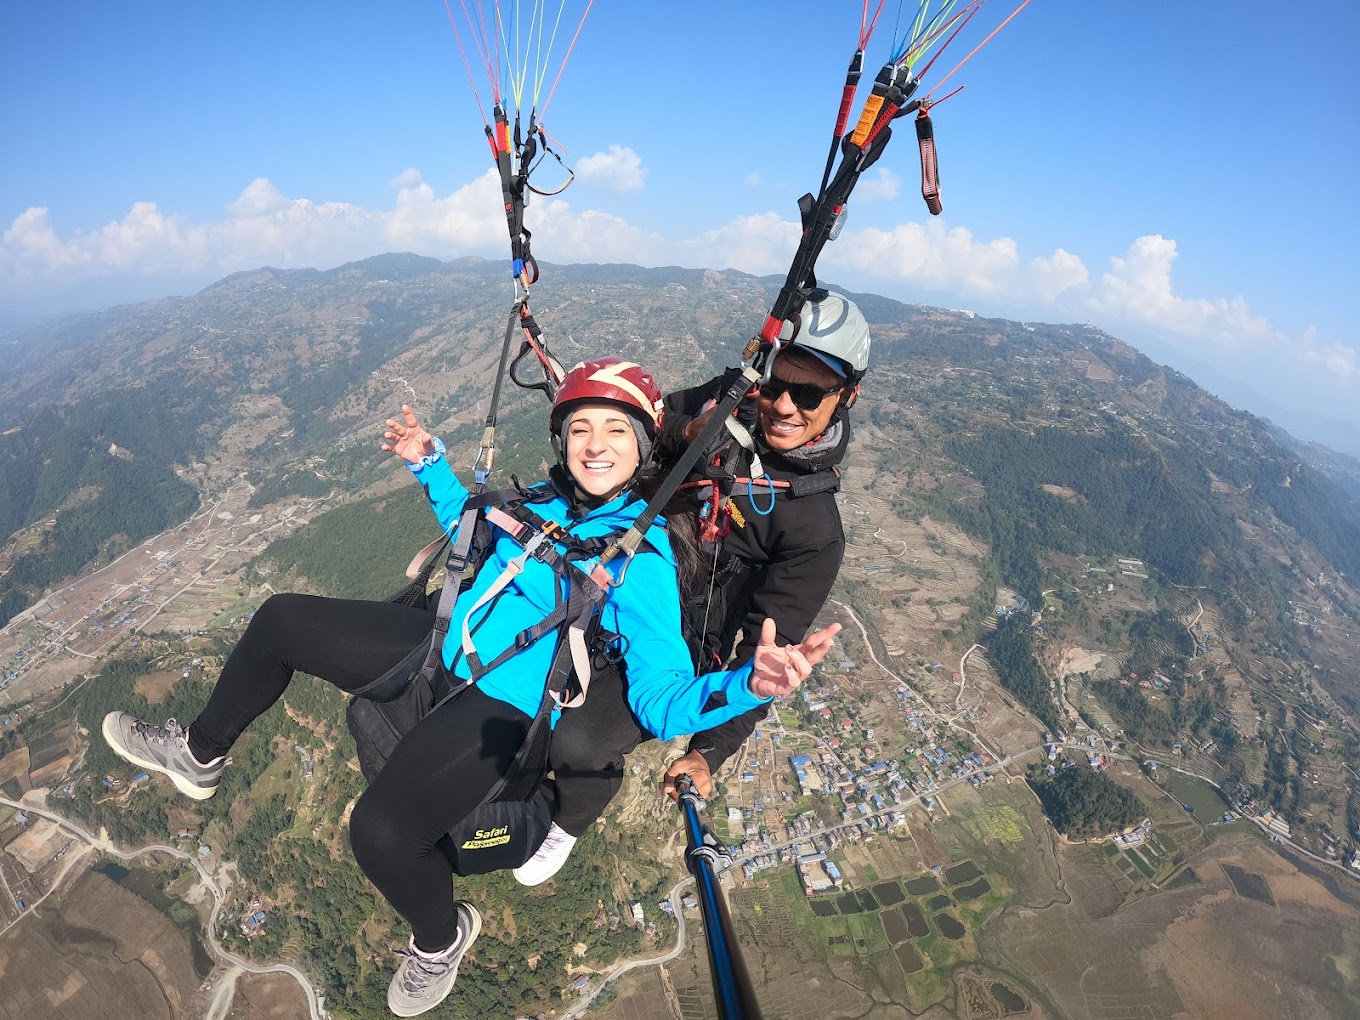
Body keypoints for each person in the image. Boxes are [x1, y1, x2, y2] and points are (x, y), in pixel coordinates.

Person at [101, 356, 841, 1018]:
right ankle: (201, 752)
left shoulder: (638, 561)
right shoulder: (542, 504)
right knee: (282, 620)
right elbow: (470, 525)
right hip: (439, 648)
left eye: (615, 430)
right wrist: (431, 465)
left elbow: (660, 699)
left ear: (644, 448)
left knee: (382, 832)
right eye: (580, 426)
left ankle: (439, 937)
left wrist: (748, 684)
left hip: (502, 705)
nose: (594, 443)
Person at [517, 290, 870, 885]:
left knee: (576, 744)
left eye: (808, 394)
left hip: (664, 643)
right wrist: (693, 428)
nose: (782, 405)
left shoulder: (811, 529)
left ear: (846, 397)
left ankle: (568, 819)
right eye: (777, 383)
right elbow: (650, 421)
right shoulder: (733, 396)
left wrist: (708, 751)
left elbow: (765, 653)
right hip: (598, 564)